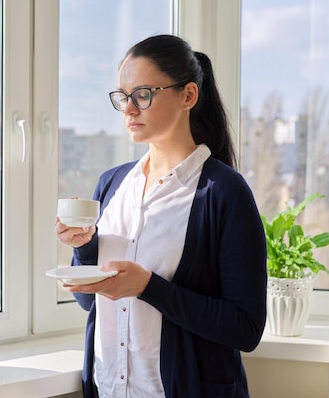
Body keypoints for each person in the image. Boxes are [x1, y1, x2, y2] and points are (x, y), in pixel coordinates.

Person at [55, 34, 267, 398]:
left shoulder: (224, 193)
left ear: (187, 96)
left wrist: (150, 287)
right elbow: (93, 304)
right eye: (123, 97)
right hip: (108, 389)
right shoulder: (112, 184)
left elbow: (245, 329)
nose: (128, 109)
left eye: (142, 95)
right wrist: (85, 250)